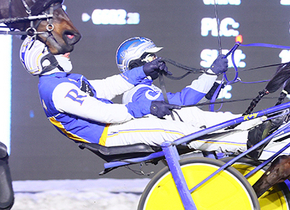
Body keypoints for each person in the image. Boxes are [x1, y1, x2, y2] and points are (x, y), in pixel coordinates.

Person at [19, 37, 265, 154]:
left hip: (115, 126)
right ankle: (249, 143)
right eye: (60, 52)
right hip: (109, 134)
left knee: (190, 118)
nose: (67, 53)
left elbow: (105, 87)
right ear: (45, 60)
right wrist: (147, 107)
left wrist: (141, 71)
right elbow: (107, 113)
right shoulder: (58, 90)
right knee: (181, 132)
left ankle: (257, 128)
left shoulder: (64, 81)